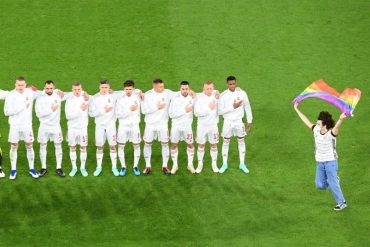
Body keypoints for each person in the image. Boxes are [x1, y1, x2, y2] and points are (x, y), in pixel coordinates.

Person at [294, 103, 348, 211]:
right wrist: (296, 109)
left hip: (330, 162)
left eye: (319, 121)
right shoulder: (316, 130)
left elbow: (337, 127)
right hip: (320, 162)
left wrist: (341, 119)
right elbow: (306, 121)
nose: (317, 122)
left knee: (333, 183)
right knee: (319, 185)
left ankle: (342, 202)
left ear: (325, 124)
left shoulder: (331, 133)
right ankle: (334, 181)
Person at [3, 76, 41, 180]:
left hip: (27, 126)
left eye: (22, 85)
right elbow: (6, 112)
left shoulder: (30, 92)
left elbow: (44, 93)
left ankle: (32, 169)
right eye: (18, 85)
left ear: (25, 85)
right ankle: (13, 170)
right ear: (15, 85)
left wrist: (57, 91)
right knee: (14, 146)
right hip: (14, 126)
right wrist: (22, 107)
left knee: (29, 145)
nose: (20, 87)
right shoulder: (10, 95)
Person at [218, 76, 253, 174]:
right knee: (225, 142)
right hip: (227, 122)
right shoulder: (223, 95)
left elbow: (247, 106)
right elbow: (220, 111)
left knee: (241, 141)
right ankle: (224, 164)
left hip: (239, 121)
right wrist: (232, 107)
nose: (232, 86)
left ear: (236, 83)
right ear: (227, 84)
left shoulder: (242, 93)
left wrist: (249, 121)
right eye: (230, 84)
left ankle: (242, 164)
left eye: (234, 84)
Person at [141, 79, 176, 175]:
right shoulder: (147, 95)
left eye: (163, 86)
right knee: (147, 143)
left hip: (163, 124)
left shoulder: (167, 93)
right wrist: (157, 107)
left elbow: (179, 93)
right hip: (150, 124)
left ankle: (165, 166)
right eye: (160, 87)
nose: (163, 88)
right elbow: (143, 110)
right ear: (154, 86)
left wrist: (191, 92)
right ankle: (148, 166)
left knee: (165, 144)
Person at [35, 80, 67, 177]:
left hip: (55, 126)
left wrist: (84, 94)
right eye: (47, 88)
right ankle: (43, 167)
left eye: (51, 88)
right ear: (44, 88)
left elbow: (73, 94)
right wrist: (50, 110)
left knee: (58, 145)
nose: (49, 90)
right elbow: (38, 114)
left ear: (54, 87)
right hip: (44, 126)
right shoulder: (39, 98)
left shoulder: (58, 95)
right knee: (43, 146)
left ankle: (59, 167)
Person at [89, 80, 119, 176]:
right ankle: (99, 167)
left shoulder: (113, 96)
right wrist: (103, 110)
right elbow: (91, 113)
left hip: (111, 126)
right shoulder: (95, 98)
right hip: (100, 126)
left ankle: (114, 167)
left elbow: (126, 91)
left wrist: (138, 91)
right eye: (103, 87)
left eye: (106, 87)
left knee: (113, 146)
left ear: (109, 87)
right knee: (100, 147)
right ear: (99, 87)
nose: (104, 89)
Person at [115, 80, 142, 176]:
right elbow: (118, 115)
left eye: (130, 89)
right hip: (123, 126)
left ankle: (135, 166)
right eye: (126, 89)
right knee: (121, 146)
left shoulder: (138, 96)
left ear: (133, 89)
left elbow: (139, 91)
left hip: (135, 126)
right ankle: (123, 167)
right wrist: (129, 110)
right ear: (124, 89)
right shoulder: (120, 99)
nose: (128, 91)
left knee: (137, 145)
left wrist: (139, 91)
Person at [169, 81, 195, 174]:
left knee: (190, 145)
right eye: (183, 89)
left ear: (189, 88)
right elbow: (171, 114)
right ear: (180, 89)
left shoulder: (193, 98)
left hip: (187, 126)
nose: (185, 91)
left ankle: (190, 164)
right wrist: (184, 110)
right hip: (176, 126)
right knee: (174, 145)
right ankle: (175, 165)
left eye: (186, 89)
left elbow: (206, 93)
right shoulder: (175, 99)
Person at [194, 81, 220, 173]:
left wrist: (238, 89)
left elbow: (225, 94)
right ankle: (200, 164)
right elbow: (196, 113)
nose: (209, 90)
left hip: (213, 126)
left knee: (214, 144)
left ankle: (214, 163)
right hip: (202, 126)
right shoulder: (199, 98)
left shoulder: (216, 95)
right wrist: (209, 108)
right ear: (203, 89)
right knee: (201, 145)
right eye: (207, 89)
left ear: (213, 88)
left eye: (211, 88)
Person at [65, 82, 90, 177]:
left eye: (79, 89)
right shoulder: (69, 100)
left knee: (83, 148)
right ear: (72, 90)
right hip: (72, 128)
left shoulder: (86, 98)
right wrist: (80, 110)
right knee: (72, 147)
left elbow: (98, 97)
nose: (77, 91)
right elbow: (68, 116)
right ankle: (74, 167)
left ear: (81, 89)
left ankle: (82, 167)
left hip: (83, 128)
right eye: (75, 89)